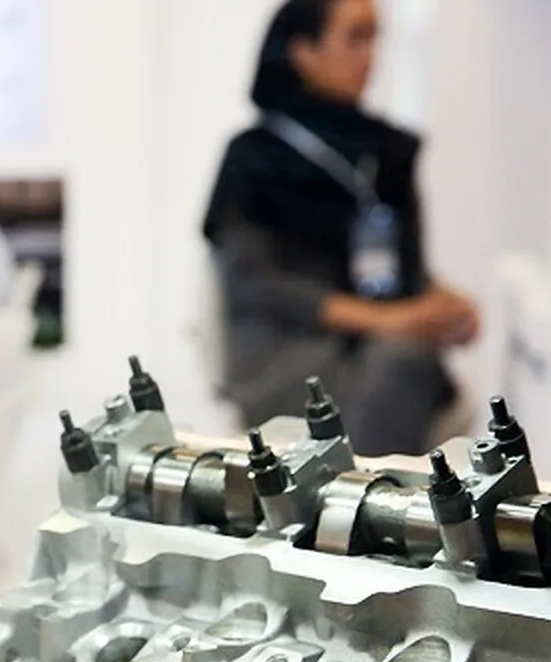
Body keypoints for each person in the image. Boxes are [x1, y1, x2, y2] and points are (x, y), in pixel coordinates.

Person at [203, 0, 479, 456]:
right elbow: (256, 282)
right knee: (403, 360)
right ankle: (360, 495)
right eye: (354, 38)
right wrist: (390, 320)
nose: (368, 56)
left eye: (374, 39)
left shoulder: (387, 153)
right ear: (304, 51)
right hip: (287, 352)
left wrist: (439, 302)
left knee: (405, 358)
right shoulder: (254, 159)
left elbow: (395, 269)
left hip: (377, 345)